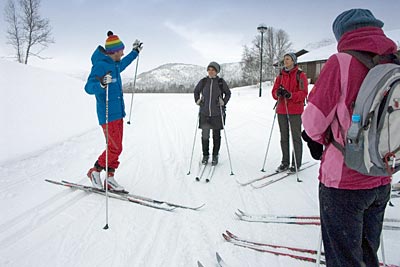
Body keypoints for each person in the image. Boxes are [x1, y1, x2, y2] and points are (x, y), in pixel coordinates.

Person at [301, 9, 396, 267]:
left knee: (344, 258)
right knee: (367, 254)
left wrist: (319, 139)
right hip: (382, 174)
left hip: (344, 181)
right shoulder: (394, 60)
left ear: (342, 34)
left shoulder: (340, 62)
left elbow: (313, 122)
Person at [84, 31, 143, 191]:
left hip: (118, 114)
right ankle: (95, 171)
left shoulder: (115, 65)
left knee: (117, 147)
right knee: (114, 147)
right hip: (108, 114)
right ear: (113, 52)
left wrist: (135, 52)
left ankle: (109, 178)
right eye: (121, 51)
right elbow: (88, 87)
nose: (122, 53)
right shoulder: (101, 66)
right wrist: (101, 83)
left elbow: (125, 62)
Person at [271, 53, 308, 173]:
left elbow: (303, 93)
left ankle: (296, 163)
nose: (285, 61)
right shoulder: (280, 76)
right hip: (282, 109)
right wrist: (278, 93)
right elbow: (274, 92)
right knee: (284, 137)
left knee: (295, 137)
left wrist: (291, 95)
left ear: (293, 61)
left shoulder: (300, 75)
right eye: (285, 59)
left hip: (295, 110)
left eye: (288, 59)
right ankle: (285, 162)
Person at [194, 62, 231, 166]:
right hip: (204, 113)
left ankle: (215, 155)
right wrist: (198, 100)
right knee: (205, 136)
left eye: (213, 69)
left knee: (216, 136)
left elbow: (228, 93)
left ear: (217, 71)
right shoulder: (203, 81)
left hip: (217, 114)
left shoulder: (220, 82)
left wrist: (223, 101)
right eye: (209, 69)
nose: (211, 71)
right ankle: (205, 155)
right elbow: (196, 91)